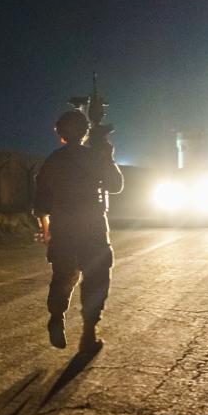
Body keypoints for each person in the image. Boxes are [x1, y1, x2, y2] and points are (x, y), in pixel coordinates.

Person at [33, 109, 123, 354]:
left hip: (64, 229)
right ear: (85, 132)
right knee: (96, 280)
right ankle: (89, 333)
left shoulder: (53, 160)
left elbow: (41, 203)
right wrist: (106, 155)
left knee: (64, 276)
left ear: (61, 134)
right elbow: (116, 186)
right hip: (92, 227)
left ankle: (57, 317)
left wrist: (46, 231)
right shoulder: (95, 156)